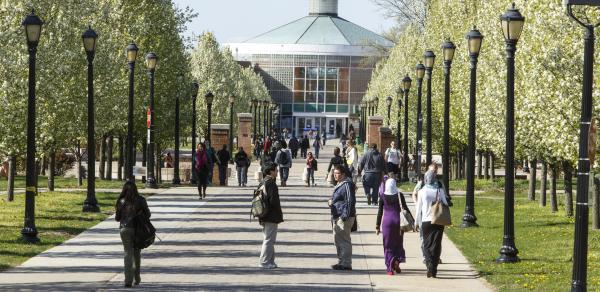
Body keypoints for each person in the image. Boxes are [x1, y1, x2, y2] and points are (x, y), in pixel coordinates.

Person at [115, 180, 151, 288]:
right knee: (136, 253)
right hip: (137, 229)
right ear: (136, 189)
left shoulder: (121, 201)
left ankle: (128, 280)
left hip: (125, 229)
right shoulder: (141, 200)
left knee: (127, 253)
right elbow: (148, 215)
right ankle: (137, 278)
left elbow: (117, 218)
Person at [416, 169, 448, 278]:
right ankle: (434, 268)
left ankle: (429, 263)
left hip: (425, 221)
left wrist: (416, 221)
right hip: (438, 220)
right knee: (436, 244)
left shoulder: (422, 191)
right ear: (434, 179)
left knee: (426, 244)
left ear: (425, 179)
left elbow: (418, 208)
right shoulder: (439, 190)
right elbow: (445, 203)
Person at [375, 173, 409, 275]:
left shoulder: (382, 196)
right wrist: (413, 221)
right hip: (398, 222)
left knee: (388, 245)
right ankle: (397, 261)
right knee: (398, 243)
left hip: (387, 223)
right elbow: (405, 208)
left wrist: (377, 226)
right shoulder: (400, 195)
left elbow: (380, 212)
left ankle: (390, 268)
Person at [328, 164, 356, 271]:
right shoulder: (340, 184)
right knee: (338, 241)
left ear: (343, 174)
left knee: (344, 241)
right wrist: (331, 202)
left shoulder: (347, 185)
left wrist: (345, 216)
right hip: (337, 216)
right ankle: (341, 261)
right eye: (334, 173)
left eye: (338, 173)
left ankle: (346, 263)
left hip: (343, 217)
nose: (335, 175)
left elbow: (350, 201)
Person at [257, 162, 284, 269]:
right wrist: (279, 213)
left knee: (269, 239)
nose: (277, 172)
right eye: (276, 170)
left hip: (263, 214)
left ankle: (270, 261)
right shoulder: (271, 183)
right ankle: (264, 262)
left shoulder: (262, 182)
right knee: (268, 239)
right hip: (271, 216)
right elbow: (274, 201)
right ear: (270, 171)